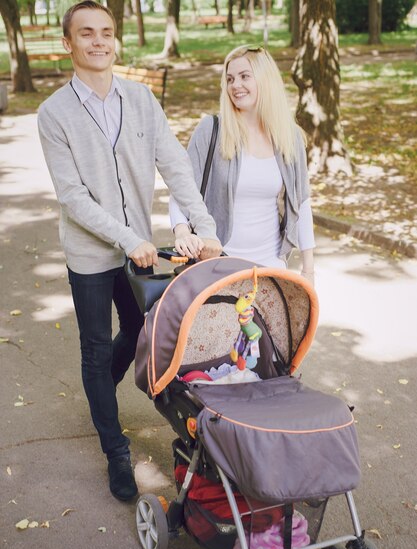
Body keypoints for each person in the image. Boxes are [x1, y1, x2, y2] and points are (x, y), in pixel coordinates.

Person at [37, 1, 221, 502]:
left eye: (106, 32)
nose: (99, 41)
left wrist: (205, 229)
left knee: (143, 331)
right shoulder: (53, 113)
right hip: (93, 254)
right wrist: (127, 237)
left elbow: (176, 168)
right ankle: (115, 449)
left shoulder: (141, 99)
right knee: (95, 347)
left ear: (114, 40)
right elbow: (72, 195)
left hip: (138, 251)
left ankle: (103, 388)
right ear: (68, 44)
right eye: (87, 33)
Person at [170, 45, 316, 282]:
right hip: (216, 267)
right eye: (230, 79)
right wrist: (182, 231)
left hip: (271, 268)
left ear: (264, 80)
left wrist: (308, 271)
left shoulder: (288, 136)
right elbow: (182, 191)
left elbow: (303, 202)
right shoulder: (212, 130)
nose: (235, 85)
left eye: (244, 76)